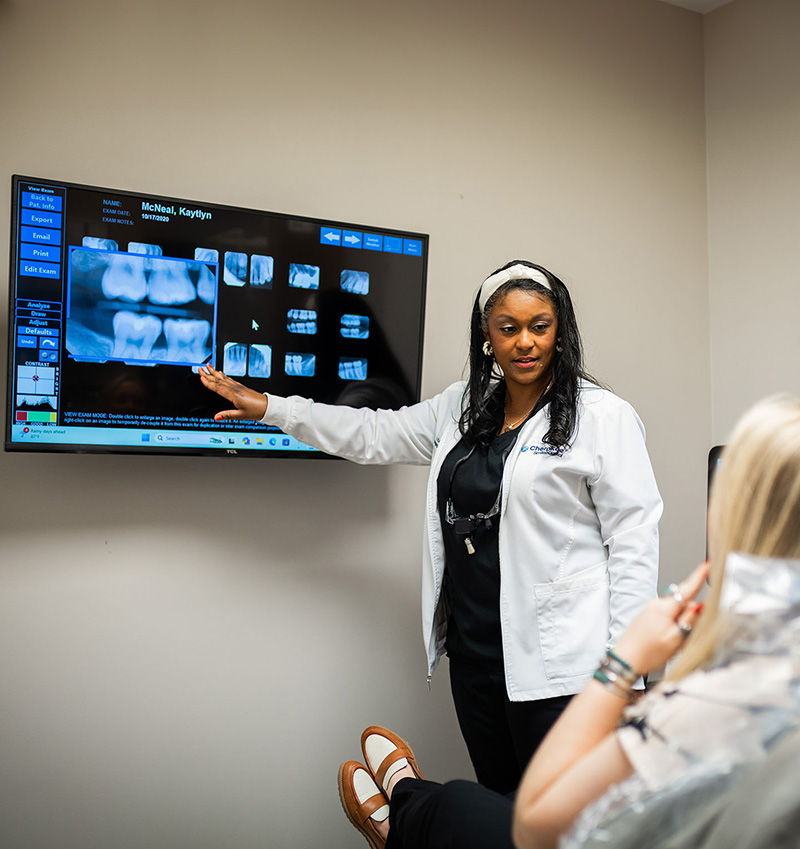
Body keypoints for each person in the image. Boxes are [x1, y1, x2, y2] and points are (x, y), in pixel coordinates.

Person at [199, 259, 662, 793]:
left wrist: (629, 672)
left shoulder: (602, 417)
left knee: (569, 816)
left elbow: (633, 544)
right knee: (501, 810)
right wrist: (272, 408)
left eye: (540, 326)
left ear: (560, 331)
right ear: (486, 336)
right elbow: (372, 433)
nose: (525, 342)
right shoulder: (461, 407)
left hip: (565, 668)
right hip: (476, 660)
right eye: (508, 328)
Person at [336, 395, 800, 849]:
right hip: (480, 662)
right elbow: (374, 431)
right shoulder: (751, 677)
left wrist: (627, 662)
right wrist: (284, 411)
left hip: (592, 752)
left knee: (460, 806)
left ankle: (400, 810)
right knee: (495, 799)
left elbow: (536, 823)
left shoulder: (721, 698)